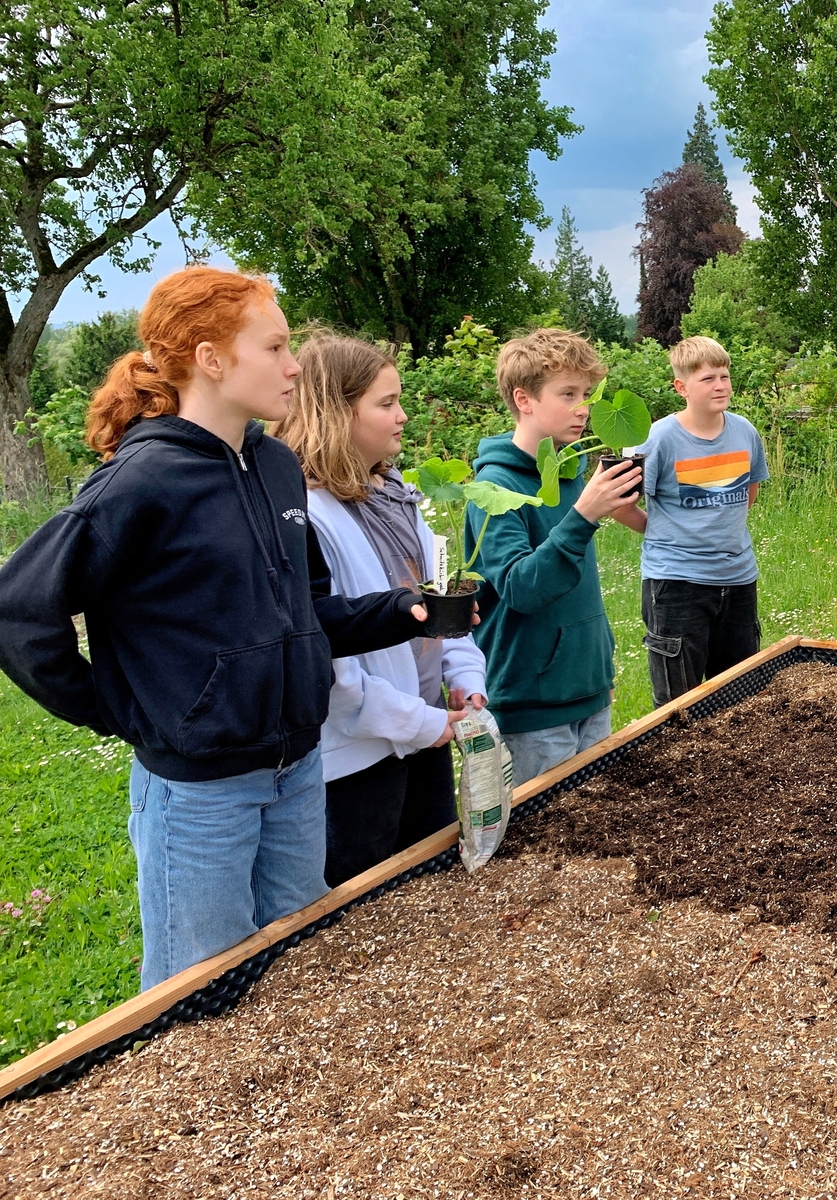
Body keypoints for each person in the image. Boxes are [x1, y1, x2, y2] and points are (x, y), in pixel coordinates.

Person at [0, 267, 429, 989]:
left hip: (298, 774)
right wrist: (120, 707)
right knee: (203, 1000)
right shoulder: (142, 481)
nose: (294, 367)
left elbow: (304, 614)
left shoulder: (274, 466)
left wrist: (400, 611)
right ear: (211, 358)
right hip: (201, 797)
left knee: (300, 972)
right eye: (275, 347)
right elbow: (18, 608)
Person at [274, 332, 489, 887]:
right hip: (358, 761)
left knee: (432, 885)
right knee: (366, 909)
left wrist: (463, 676)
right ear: (336, 412)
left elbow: (438, 601)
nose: (401, 417)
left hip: (428, 733)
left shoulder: (395, 493)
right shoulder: (306, 516)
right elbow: (332, 660)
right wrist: (420, 723)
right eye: (386, 404)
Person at [465, 329, 644, 787]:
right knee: (545, 845)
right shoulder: (493, 488)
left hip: (588, 687)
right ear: (524, 399)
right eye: (567, 394)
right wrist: (583, 515)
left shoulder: (569, 470)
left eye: (586, 393)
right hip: (533, 702)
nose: (583, 407)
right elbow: (521, 589)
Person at [637, 336, 769, 705]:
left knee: (741, 698)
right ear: (682, 387)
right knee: (679, 704)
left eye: (725, 376)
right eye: (708, 379)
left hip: (738, 580)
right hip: (676, 584)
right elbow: (619, 501)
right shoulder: (659, 438)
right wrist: (661, 532)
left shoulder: (744, 432)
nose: (720, 386)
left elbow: (749, 493)